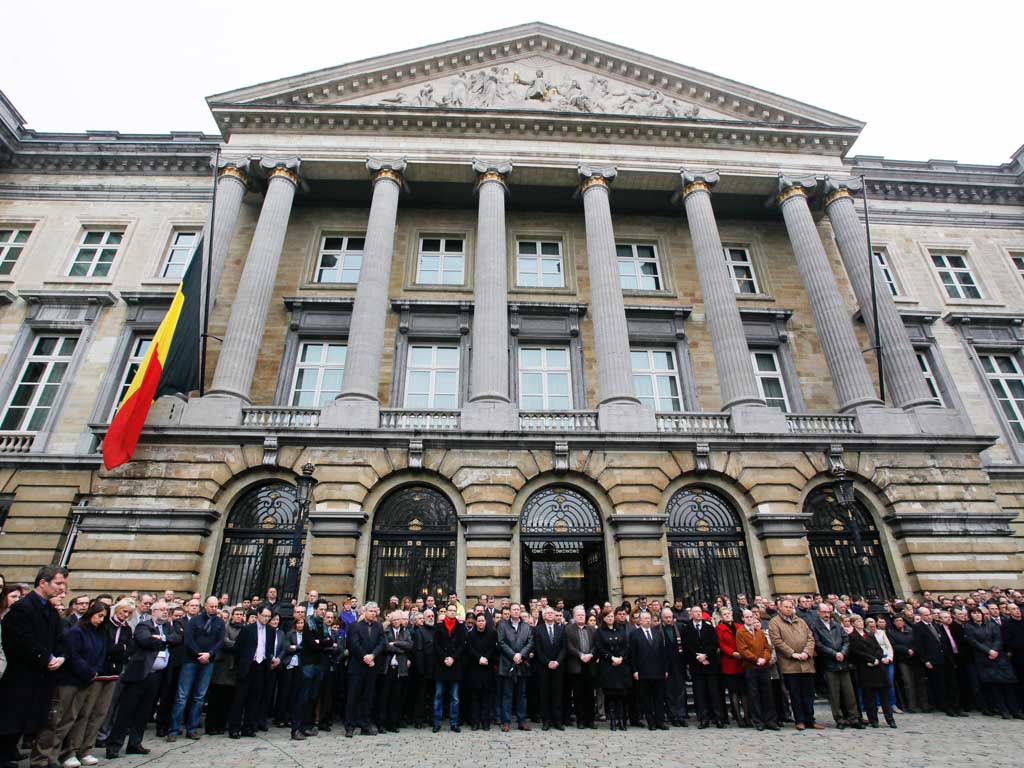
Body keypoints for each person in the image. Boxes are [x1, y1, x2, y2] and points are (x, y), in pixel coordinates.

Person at [0, 565, 68, 767]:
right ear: (43, 582)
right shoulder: (22, 608)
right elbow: (21, 641)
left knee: (27, 721)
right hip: (21, 675)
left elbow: (60, 639)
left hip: (43, 676)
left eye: (64, 584)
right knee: (10, 722)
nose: (62, 589)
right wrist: (46, 657)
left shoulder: (51, 611)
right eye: (58, 583)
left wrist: (61, 657)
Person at [33, 601, 109, 768]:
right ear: (90, 614)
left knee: (73, 718)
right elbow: (72, 655)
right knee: (57, 719)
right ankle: (43, 757)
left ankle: (61, 753)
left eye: (104, 617)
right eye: (99, 616)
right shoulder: (76, 631)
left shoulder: (100, 633)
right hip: (69, 680)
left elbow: (102, 653)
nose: (101, 620)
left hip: (86, 680)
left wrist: (94, 671)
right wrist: (88, 671)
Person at [106, 600, 183, 759]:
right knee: (126, 711)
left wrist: (161, 638)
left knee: (144, 711)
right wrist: (164, 640)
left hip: (157, 676)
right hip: (140, 674)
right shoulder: (144, 625)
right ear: (153, 611)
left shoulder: (169, 627)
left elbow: (177, 638)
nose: (165, 612)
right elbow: (145, 640)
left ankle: (135, 743)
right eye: (161, 609)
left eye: (167, 610)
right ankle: (114, 745)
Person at [168, 595, 224, 741]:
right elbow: (189, 639)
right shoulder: (195, 620)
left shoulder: (219, 622)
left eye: (216, 606)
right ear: (205, 605)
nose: (214, 608)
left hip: (208, 662)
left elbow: (220, 641)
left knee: (199, 697)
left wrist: (209, 654)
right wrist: (199, 654)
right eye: (211, 606)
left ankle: (192, 728)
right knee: (182, 696)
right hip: (191, 660)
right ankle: (174, 729)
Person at [768, 598, 821, 731]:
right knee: (795, 694)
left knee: (808, 693)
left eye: (791, 607)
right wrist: (792, 653)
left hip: (806, 662)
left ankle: (810, 719)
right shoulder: (775, 622)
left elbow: (810, 638)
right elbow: (777, 641)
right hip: (790, 664)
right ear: (779, 608)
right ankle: (800, 719)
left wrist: (807, 652)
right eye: (786, 607)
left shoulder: (801, 621)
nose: (789, 609)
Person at [963, 606, 1022, 719]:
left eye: (979, 613)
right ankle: (1003, 710)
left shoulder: (992, 625)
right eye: (974, 613)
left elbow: (999, 638)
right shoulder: (969, 627)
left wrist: (995, 650)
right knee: (994, 687)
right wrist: (988, 651)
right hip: (984, 659)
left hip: (999, 657)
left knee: (1009, 684)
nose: (977, 615)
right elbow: (973, 642)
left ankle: (1015, 710)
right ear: (970, 616)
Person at [229, 604, 278, 738]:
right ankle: (234, 727)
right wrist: (243, 663)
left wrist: (271, 659)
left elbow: (268, 649)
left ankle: (249, 727)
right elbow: (238, 649)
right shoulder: (247, 629)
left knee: (255, 698)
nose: (266, 618)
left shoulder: (271, 631)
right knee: (240, 698)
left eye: (269, 616)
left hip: (261, 666)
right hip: (248, 666)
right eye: (264, 616)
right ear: (258, 615)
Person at [811, 602, 859, 729]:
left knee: (849, 692)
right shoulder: (815, 627)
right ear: (818, 613)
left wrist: (842, 652)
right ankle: (839, 718)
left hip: (842, 662)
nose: (827, 614)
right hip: (829, 663)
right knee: (834, 693)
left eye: (828, 612)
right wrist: (834, 654)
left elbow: (846, 640)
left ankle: (853, 717)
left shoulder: (837, 625)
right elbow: (818, 644)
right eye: (824, 612)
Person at [912, 606, 963, 716]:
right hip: (933, 659)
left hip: (945, 658)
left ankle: (956, 706)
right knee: (940, 684)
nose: (929, 616)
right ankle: (946, 706)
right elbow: (920, 645)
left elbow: (944, 641)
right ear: (920, 616)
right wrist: (925, 660)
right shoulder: (918, 627)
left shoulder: (936, 625)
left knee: (952, 683)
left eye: (929, 614)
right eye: (926, 615)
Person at [344, 601, 384, 737]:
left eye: (375, 611)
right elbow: (353, 644)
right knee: (353, 697)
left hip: (372, 666)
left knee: (368, 697)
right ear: (364, 611)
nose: (373, 613)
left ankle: (365, 724)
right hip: (357, 666)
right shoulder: (355, 626)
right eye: (371, 611)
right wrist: (365, 657)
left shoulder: (378, 626)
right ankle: (349, 726)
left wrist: (373, 655)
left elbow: (381, 643)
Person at [680, 605, 724, 728]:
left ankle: (717, 717)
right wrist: (697, 656)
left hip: (710, 664)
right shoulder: (686, 629)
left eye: (700, 612)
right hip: (696, 665)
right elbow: (686, 645)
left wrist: (706, 656)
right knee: (699, 693)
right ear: (691, 614)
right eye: (696, 612)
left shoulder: (709, 627)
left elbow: (714, 643)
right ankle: (703, 718)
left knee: (714, 692)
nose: (699, 614)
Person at [848, 615, 896, 728]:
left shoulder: (869, 634)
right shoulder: (852, 637)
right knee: (869, 696)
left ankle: (890, 719)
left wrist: (877, 659)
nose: (860, 623)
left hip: (878, 667)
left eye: (861, 621)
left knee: (884, 695)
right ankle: (873, 719)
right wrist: (870, 659)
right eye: (857, 621)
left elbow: (878, 648)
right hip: (865, 668)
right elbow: (856, 652)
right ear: (853, 623)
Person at [736, 608, 778, 731]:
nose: (750, 619)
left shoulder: (759, 632)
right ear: (743, 618)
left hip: (763, 666)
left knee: (767, 694)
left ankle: (770, 720)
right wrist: (756, 659)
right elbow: (743, 650)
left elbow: (767, 647)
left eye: (751, 617)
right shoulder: (740, 632)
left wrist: (765, 658)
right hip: (751, 667)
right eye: (747, 617)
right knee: (754, 695)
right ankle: (758, 721)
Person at [206, 606, 244, 735]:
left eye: (241, 614)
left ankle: (222, 725)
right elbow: (225, 642)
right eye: (237, 614)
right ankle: (211, 726)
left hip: (235, 668)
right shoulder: (225, 627)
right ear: (232, 615)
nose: (239, 616)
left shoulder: (244, 629)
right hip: (222, 667)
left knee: (228, 699)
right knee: (216, 697)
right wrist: (239, 646)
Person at [628, 610, 669, 731]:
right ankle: (651, 722)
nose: (647, 620)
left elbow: (663, 653)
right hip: (643, 671)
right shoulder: (634, 634)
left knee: (659, 698)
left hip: (658, 671)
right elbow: (633, 655)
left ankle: (660, 721)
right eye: (644, 618)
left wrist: (665, 669)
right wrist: (635, 670)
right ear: (639, 620)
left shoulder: (657, 633)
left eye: (648, 618)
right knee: (646, 699)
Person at [497, 602, 533, 732]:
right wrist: (513, 655)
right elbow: (501, 642)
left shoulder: (526, 626)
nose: (516, 611)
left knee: (522, 694)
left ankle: (522, 721)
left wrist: (521, 655)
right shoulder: (502, 625)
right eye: (514, 609)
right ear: (510, 611)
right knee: (507, 694)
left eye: (518, 609)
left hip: (522, 664)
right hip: (508, 663)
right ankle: (505, 722)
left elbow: (530, 642)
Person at [594, 607, 631, 731]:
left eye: (611, 616)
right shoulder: (599, 631)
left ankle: (622, 720)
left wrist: (620, 657)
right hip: (608, 667)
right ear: (603, 618)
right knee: (611, 694)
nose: (610, 619)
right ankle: (613, 720)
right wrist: (611, 658)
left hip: (621, 666)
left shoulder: (620, 630)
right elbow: (600, 648)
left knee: (621, 694)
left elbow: (626, 646)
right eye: (607, 616)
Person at [433, 603, 466, 732]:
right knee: (438, 695)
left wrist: (453, 658)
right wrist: (444, 658)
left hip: (455, 665)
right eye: (450, 610)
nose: (452, 612)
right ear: (445, 612)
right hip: (441, 665)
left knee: (455, 697)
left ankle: (454, 723)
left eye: (454, 610)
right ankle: (437, 722)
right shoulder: (439, 627)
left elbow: (462, 645)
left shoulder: (460, 627)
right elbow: (436, 645)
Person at [378, 611, 413, 732]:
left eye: (399, 619)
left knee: (396, 697)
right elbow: (386, 646)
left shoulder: (405, 631)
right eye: (394, 620)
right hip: (388, 668)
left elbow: (409, 645)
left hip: (400, 669)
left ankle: (392, 723)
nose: (397, 622)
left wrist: (396, 643)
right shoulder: (385, 631)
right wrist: (400, 649)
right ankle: (382, 723)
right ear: (391, 621)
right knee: (384, 697)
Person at [532, 606, 566, 731]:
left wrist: (557, 661)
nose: (551, 615)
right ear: (544, 616)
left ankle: (558, 721)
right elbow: (538, 649)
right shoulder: (538, 630)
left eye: (552, 613)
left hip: (558, 667)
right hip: (544, 667)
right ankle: (546, 721)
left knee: (557, 694)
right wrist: (547, 662)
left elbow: (564, 648)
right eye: (548, 613)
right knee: (545, 694)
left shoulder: (560, 629)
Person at [715, 607, 749, 727]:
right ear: (721, 617)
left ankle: (747, 716)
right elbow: (721, 644)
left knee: (744, 691)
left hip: (742, 662)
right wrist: (732, 653)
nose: (727, 615)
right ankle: (738, 717)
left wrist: (743, 653)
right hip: (729, 662)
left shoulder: (740, 627)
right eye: (725, 614)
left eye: (729, 613)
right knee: (733, 691)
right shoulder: (720, 628)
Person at [566, 606, 598, 729]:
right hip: (576, 666)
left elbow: (596, 645)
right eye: (579, 615)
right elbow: (568, 646)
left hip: (590, 665)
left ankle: (590, 720)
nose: (581, 617)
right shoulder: (568, 629)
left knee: (590, 695)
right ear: (574, 616)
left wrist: (590, 654)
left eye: (583, 615)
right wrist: (580, 655)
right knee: (578, 695)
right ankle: (580, 720)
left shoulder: (592, 630)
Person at [464, 612, 496, 730]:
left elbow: (493, 648)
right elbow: (469, 649)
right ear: (476, 622)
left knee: (486, 698)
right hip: (474, 669)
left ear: (485, 622)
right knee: (475, 698)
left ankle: (485, 722)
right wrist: (479, 658)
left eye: (483, 621)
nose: (481, 623)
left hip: (487, 669)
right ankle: (475, 722)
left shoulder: (492, 633)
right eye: (479, 621)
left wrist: (486, 657)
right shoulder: (470, 634)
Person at [888, 613, 926, 712]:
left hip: (915, 658)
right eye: (897, 621)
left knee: (920, 682)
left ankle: (924, 704)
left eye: (900, 620)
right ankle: (911, 705)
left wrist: (913, 649)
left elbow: (918, 641)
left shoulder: (911, 630)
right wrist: (906, 650)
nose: (899, 622)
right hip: (903, 659)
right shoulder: (892, 633)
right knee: (908, 683)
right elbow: (894, 645)